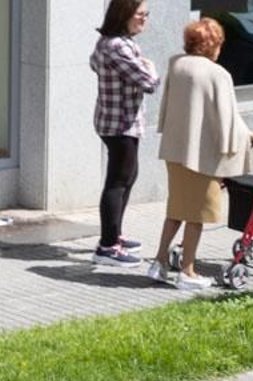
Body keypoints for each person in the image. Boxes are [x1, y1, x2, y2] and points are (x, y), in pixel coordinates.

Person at [148, 17, 253, 290]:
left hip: (175, 150)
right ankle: (187, 272)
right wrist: (249, 137)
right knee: (198, 215)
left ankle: (159, 262)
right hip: (201, 156)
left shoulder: (177, 64)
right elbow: (228, 119)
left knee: (176, 209)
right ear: (212, 44)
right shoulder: (217, 74)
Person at [91, 0, 160, 267]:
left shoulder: (111, 42)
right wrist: (150, 66)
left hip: (118, 122)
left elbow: (92, 64)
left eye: (146, 14)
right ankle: (107, 246)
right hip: (119, 124)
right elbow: (149, 82)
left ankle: (114, 234)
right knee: (118, 182)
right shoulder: (117, 46)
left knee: (127, 177)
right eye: (140, 15)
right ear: (123, 16)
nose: (144, 20)